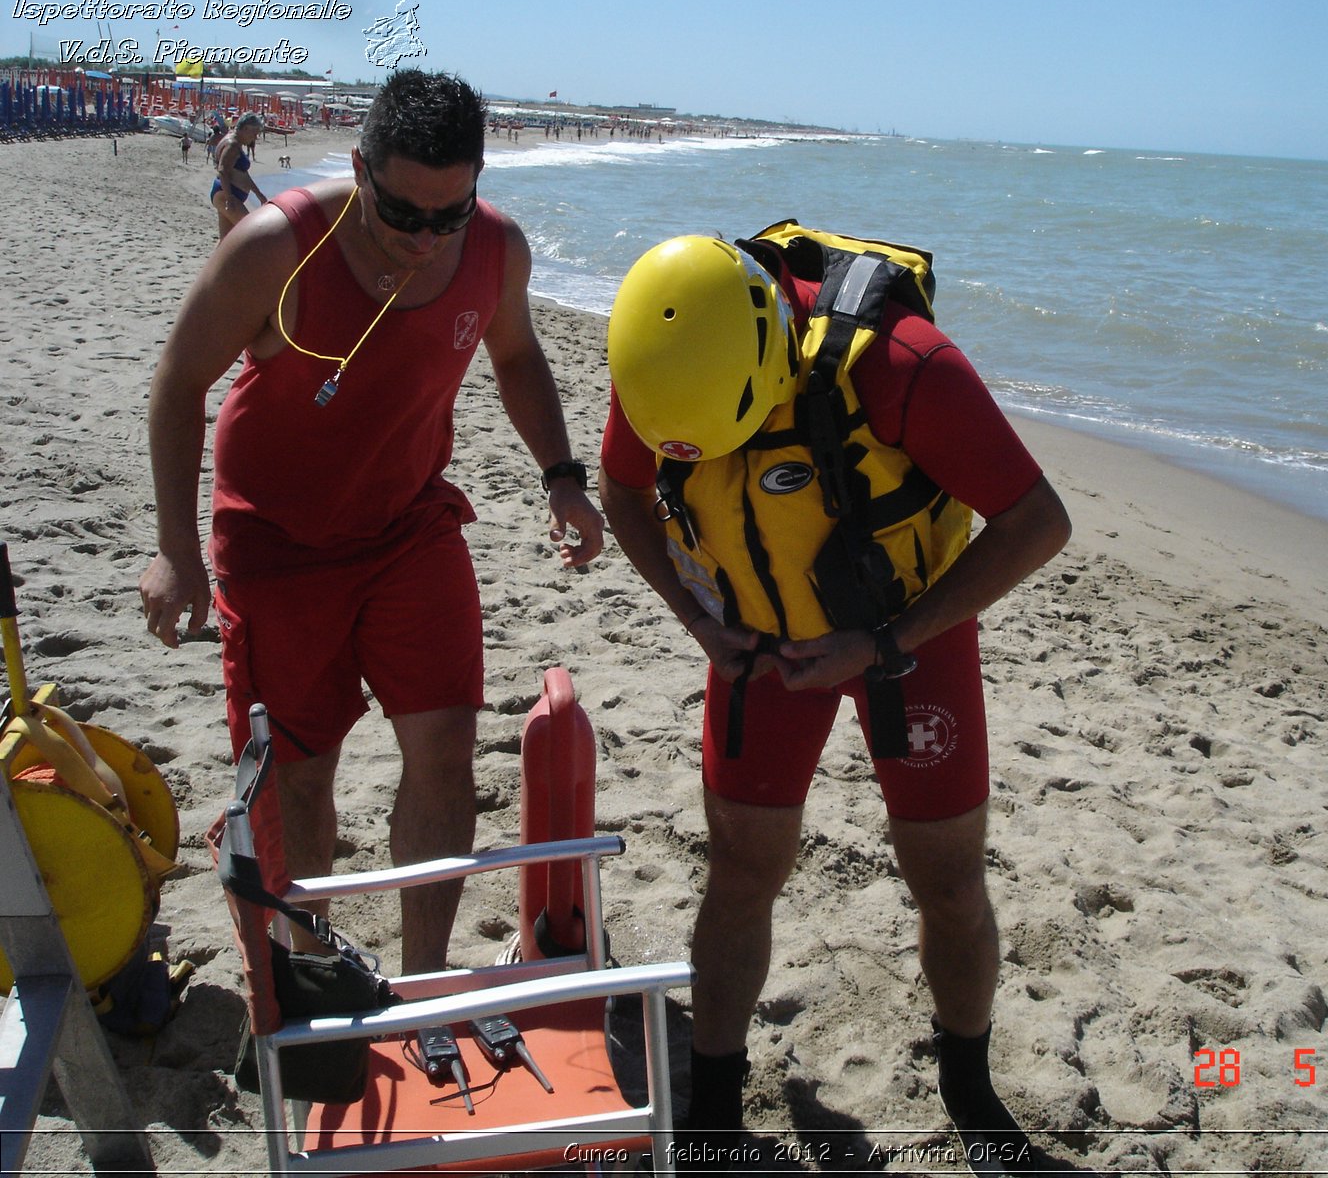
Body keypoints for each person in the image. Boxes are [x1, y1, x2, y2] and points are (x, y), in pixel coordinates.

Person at [600, 229, 1072, 1173]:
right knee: (740, 868)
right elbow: (621, 494)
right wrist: (701, 623)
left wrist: (886, 640)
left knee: (944, 876)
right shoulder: (658, 366)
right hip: (758, 648)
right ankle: (717, 1114)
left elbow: (1037, 521)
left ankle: (970, 1093)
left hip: (908, 638)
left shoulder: (903, 367)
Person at [139, 69, 604, 975]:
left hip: (410, 529)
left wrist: (562, 479)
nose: (428, 239)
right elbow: (178, 383)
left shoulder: (497, 250)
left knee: (445, 751)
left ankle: (423, 980)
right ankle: (310, 965)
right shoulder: (277, 248)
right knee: (302, 775)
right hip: (276, 547)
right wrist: (173, 548)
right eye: (404, 215)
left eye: (450, 214)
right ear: (359, 169)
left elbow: (517, 357)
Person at [209, 112, 268, 239]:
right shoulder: (232, 144)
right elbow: (223, 170)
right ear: (246, 128)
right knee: (251, 235)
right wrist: (229, 198)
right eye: (254, 133)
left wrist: (259, 194)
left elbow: (242, 173)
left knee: (226, 240)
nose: (255, 137)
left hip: (225, 193)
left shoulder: (233, 141)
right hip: (227, 194)